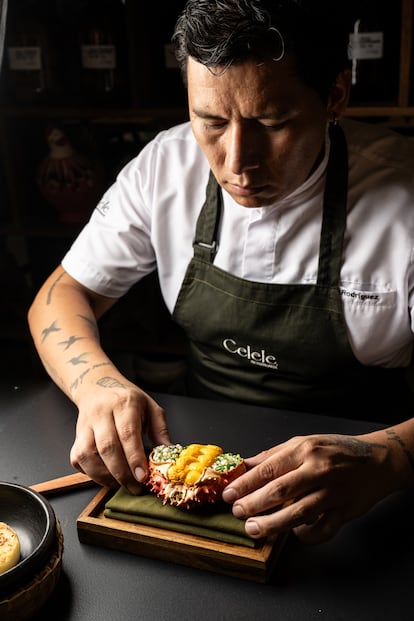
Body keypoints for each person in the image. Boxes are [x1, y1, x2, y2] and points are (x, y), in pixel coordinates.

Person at [28, 0, 414, 545]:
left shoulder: (404, 200)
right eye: (210, 122)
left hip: (362, 496)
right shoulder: (166, 169)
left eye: (271, 122)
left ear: (334, 96)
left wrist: (390, 460)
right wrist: (98, 384)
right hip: (199, 456)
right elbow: (62, 293)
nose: (237, 161)